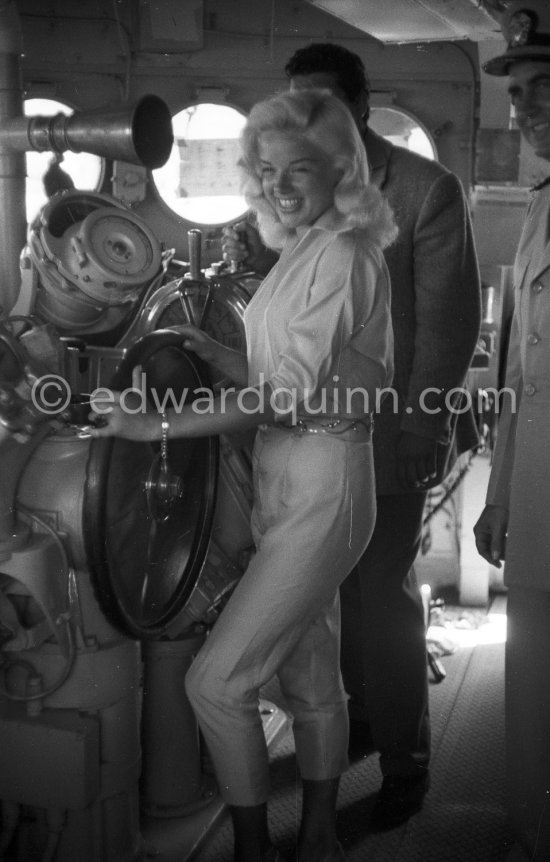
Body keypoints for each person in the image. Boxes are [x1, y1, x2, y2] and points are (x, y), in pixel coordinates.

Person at [90, 88, 396, 862]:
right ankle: (320, 833)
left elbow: (286, 393)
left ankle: (253, 848)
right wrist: (214, 352)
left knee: (215, 684)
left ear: (342, 169)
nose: (280, 184)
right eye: (268, 169)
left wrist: (150, 424)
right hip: (292, 469)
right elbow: (282, 368)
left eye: (301, 168)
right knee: (308, 665)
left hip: (324, 476)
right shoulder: (303, 245)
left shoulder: (347, 251)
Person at [223, 42, 482, 831]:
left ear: (363, 105)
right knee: (326, 609)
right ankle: (355, 724)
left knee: (381, 602)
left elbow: (445, 326)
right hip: (308, 436)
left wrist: (418, 426)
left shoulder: (423, 188)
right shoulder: (300, 181)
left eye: (326, 102)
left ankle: (405, 763)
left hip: (385, 432)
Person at [474, 3, 550, 858]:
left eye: (542, 90)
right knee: (532, 680)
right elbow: (519, 378)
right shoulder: (539, 208)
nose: (523, 110)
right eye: (519, 93)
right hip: (535, 495)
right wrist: (497, 494)